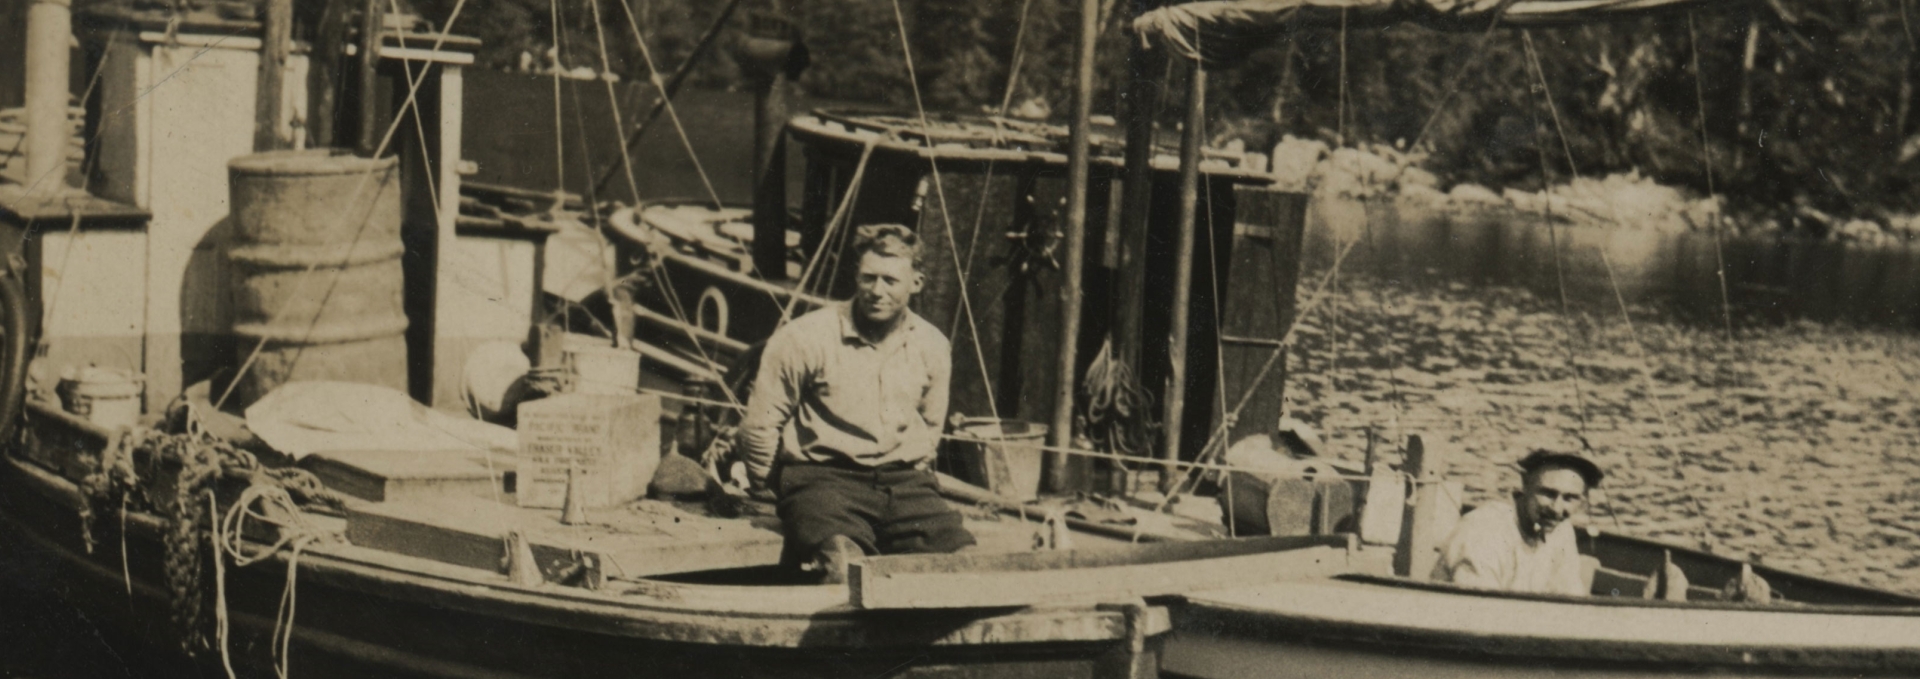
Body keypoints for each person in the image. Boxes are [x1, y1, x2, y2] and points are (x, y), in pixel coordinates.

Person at [739, 223, 975, 582]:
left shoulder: (932, 345)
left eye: (890, 281)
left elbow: (930, 429)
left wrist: (912, 474)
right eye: (868, 278)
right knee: (842, 568)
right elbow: (759, 426)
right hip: (824, 482)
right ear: (857, 277)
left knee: (966, 564)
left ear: (917, 283)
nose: (876, 291)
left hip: (906, 485)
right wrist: (777, 491)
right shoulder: (805, 337)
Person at [1431, 449, 1603, 596]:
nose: (1557, 509)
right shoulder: (1484, 530)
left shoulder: (1561, 529)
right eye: (1548, 494)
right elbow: (1480, 612)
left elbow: (1570, 600)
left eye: (1570, 498)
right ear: (1525, 485)